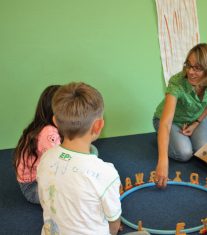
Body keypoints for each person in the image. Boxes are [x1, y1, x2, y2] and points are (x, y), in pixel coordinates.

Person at [37, 82, 149, 235]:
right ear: (98, 126)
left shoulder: (45, 159)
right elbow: (114, 225)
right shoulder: (106, 174)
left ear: (55, 122)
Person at [153, 43, 207, 188]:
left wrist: (197, 123)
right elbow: (165, 123)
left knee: (206, 155)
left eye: (197, 68)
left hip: (195, 120)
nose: (190, 72)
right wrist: (162, 161)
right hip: (169, 121)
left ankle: (179, 138)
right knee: (185, 153)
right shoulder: (177, 83)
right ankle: (162, 139)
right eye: (188, 65)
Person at [13, 85, 61, 204]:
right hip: (33, 187)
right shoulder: (49, 133)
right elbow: (61, 158)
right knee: (73, 190)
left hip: (36, 180)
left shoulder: (41, 124)